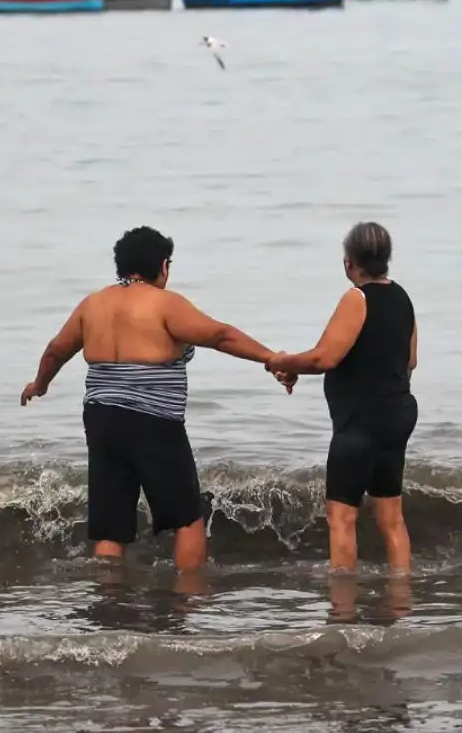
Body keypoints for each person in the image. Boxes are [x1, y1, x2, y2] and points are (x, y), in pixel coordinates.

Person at [21, 226, 283, 570]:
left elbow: (57, 350)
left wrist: (40, 384)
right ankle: (186, 599)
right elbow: (220, 336)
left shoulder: (92, 304)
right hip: (152, 420)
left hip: (101, 417)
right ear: (163, 266)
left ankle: (109, 604)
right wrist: (271, 358)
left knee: (110, 526)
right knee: (187, 520)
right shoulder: (164, 304)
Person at [268, 222, 418, 574]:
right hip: (398, 413)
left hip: (361, 419)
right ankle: (400, 596)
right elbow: (410, 360)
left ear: (349, 263)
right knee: (391, 516)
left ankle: (344, 607)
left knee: (341, 516)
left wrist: (282, 361)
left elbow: (324, 358)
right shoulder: (402, 297)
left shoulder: (357, 298)